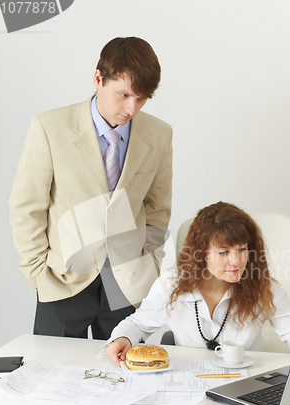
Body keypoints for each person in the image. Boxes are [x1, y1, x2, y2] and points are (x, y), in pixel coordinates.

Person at [9, 37, 173, 340]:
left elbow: (158, 208)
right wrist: (37, 272)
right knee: (51, 378)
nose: (131, 108)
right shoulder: (50, 127)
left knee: (123, 381)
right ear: (98, 78)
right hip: (63, 280)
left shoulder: (159, 134)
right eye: (123, 94)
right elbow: (27, 206)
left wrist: (152, 265)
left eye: (141, 98)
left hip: (126, 285)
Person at [105, 202, 290, 365]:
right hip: (189, 381)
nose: (236, 260)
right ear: (201, 254)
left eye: (242, 249)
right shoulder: (171, 284)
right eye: (224, 252)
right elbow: (137, 324)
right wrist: (123, 339)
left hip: (244, 386)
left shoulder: (261, 286)